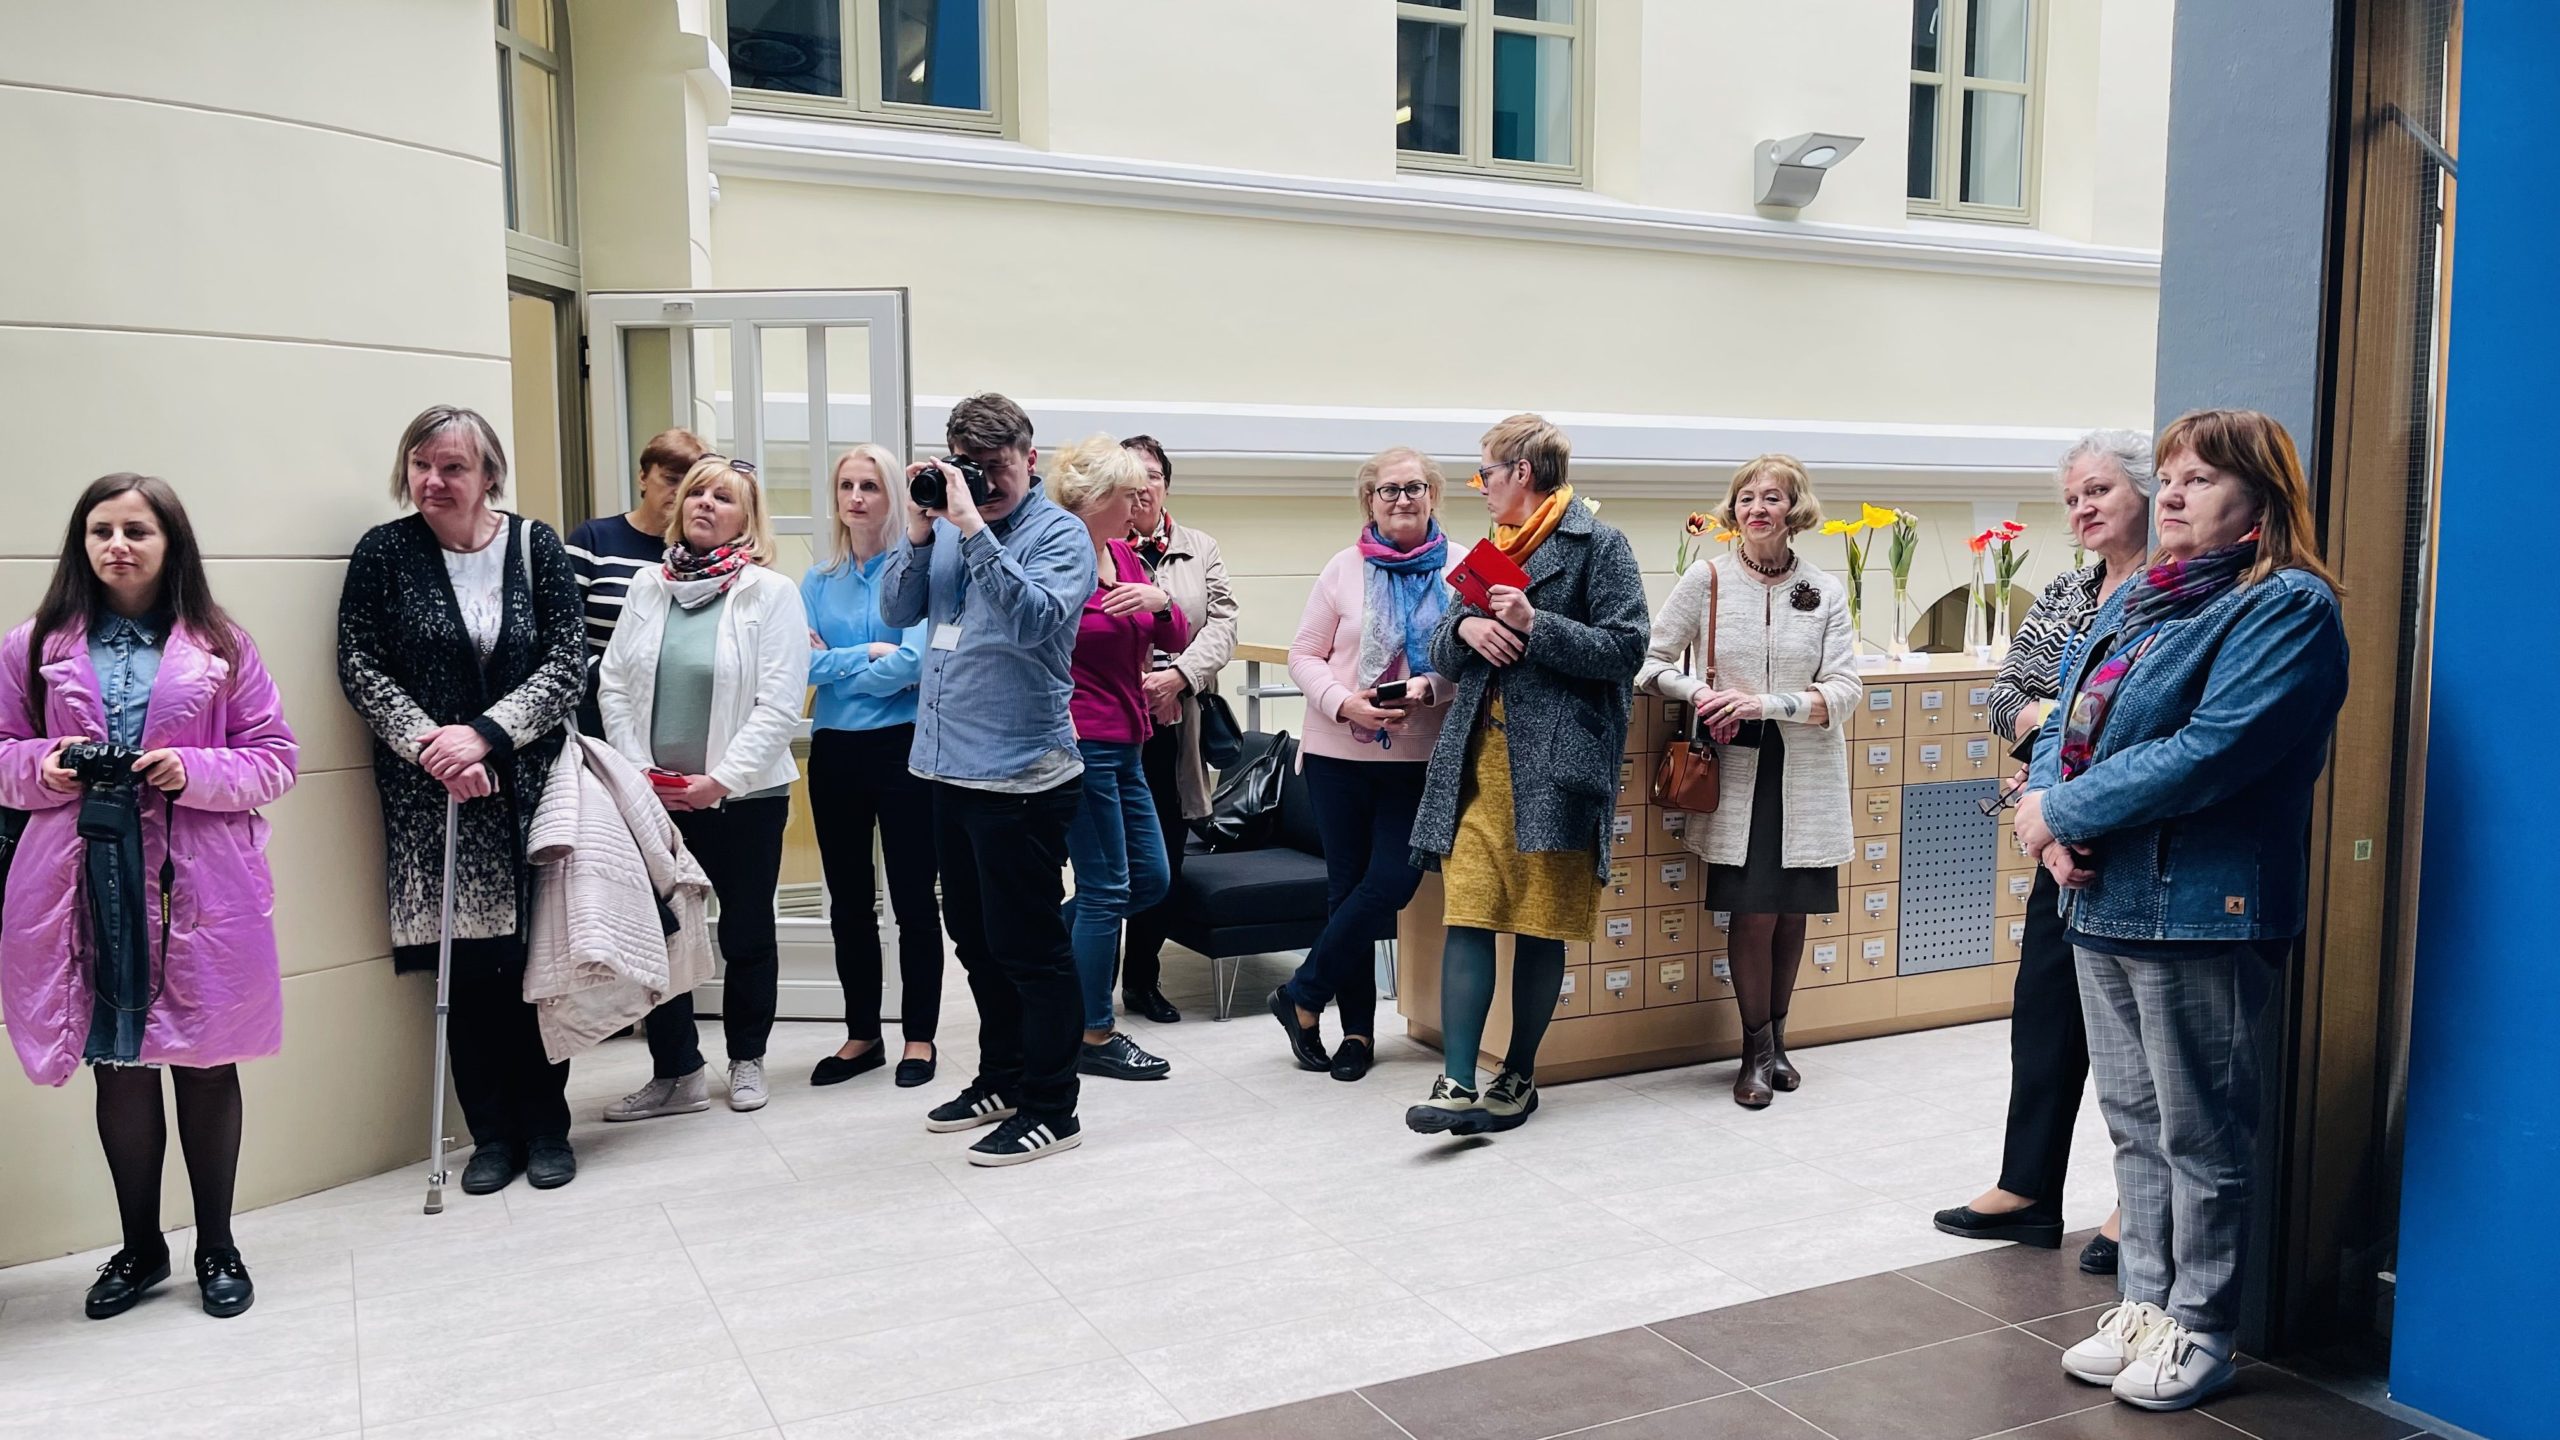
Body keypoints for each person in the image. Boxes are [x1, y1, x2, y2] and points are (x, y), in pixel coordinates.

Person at [2014, 409, 2348, 1412]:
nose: (2171, 494)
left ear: (2260, 499)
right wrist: (2049, 816)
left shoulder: (2285, 606)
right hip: (2103, 899)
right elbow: (2066, 710)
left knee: (2200, 1136)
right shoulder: (2146, 593)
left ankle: (2202, 1331)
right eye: (2166, 476)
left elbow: (2209, 751)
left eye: (2199, 479)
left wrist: (2063, 809)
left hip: (2202, 909)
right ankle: (2147, 1307)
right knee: (2134, 1127)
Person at [1, 474, 297, 1321]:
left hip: (197, 879)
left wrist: (190, 769)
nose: (117, 546)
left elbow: (275, 757)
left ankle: (217, 1246)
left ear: (171, 543)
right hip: (82, 875)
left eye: (137, 530)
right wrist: (49, 763)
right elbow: (2, 753)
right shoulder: (31, 645)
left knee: (206, 1061)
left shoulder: (222, 646)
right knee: (118, 1065)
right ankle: (140, 1248)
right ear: (81, 544)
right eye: (101, 530)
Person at [338, 406, 585, 1196]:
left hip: (528, 791)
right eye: (421, 465)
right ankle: (491, 1136)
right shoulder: (383, 553)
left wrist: (485, 735)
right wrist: (432, 747)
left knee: (540, 966)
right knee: (467, 974)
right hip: (431, 799)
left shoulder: (535, 546)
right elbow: (360, 665)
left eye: (453, 467)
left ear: (489, 476)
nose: (434, 481)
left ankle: (547, 1128)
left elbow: (566, 662)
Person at [1933, 430, 2153, 1269]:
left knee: (2135, 1036)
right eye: (2072, 498)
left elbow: (2140, 716)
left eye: (2099, 491)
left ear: (2145, 491)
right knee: (2044, 1014)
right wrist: (2058, 734)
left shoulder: (2174, 591)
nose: (2082, 509)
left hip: (2132, 832)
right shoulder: (2068, 591)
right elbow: (2006, 695)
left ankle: (2137, 1204)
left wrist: (2067, 736)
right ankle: (2027, 1189)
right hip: (2055, 824)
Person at [1406, 414, 1648, 1135]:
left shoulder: (1600, 544)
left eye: (1486, 472)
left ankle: (1518, 1074)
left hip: (1556, 767)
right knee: (1469, 913)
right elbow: (1443, 649)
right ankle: (1456, 1080)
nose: (1479, 485)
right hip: (1479, 763)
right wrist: (1466, 627)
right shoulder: (1492, 550)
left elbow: (1627, 649)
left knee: (1542, 924)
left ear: (1522, 472)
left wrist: (1534, 622)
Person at [882, 393, 1099, 1166]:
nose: (985, 481)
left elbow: (1034, 620)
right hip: (947, 769)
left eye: (998, 467)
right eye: (969, 467)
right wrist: (920, 531)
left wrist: (973, 528)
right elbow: (896, 608)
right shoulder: (946, 528)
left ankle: (1053, 1107)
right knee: (976, 942)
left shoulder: (1060, 535)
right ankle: (1003, 1078)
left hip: (1022, 778)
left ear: (1029, 460)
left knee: (1030, 949)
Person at [1638, 455, 1859, 1109]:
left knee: (1792, 914)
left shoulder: (1823, 589)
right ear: (1733, 511)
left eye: (1772, 498)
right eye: (1746, 498)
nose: (1757, 509)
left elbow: (1845, 688)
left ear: (1795, 510)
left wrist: (1769, 703)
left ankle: (1779, 1042)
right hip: (1737, 769)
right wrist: (1699, 693)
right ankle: (1755, 1052)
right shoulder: (1706, 579)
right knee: (1755, 913)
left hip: (1805, 770)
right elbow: (1649, 663)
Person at [594, 456, 811, 1119]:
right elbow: (614, 684)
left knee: (746, 933)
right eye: (696, 494)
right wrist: (639, 772)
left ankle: (747, 1058)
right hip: (655, 800)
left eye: (723, 497)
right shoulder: (648, 586)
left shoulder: (770, 592)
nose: (705, 504)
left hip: (744, 798)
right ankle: (677, 1072)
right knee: (662, 935)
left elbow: (779, 705)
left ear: (748, 519)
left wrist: (720, 781)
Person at [1273, 447, 1459, 1082]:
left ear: (1433, 495)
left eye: (1414, 487)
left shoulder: (1461, 569)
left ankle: (1301, 992)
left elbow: (1475, 662)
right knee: (1346, 889)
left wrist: (1428, 688)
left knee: (1392, 884)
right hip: (1337, 752)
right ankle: (1356, 1034)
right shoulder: (1343, 568)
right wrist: (1344, 702)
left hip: (1418, 756)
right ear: (1369, 501)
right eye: (1389, 490)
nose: (1402, 499)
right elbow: (1304, 655)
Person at [801, 443, 941, 1089]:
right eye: (846, 486)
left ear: (892, 495)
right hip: (834, 749)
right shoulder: (816, 580)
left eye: (870, 486)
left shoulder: (916, 571)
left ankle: (919, 1038)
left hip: (903, 748)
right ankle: (862, 1035)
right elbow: (801, 665)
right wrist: (869, 656)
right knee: (849, 903)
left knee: (913, 901)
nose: (855, 498)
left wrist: (842, 665)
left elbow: (916, 662)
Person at [1052, 436, 1191, 1081]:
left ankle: (1047, 947)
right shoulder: (1060, 559)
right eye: (1130, 493)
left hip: (1131, 742)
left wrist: (1162, 602)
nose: (1141, 502)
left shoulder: (1126, 556)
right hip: (1083, 743)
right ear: (1096, 497)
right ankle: (1093, 1033)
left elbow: (1175, 634)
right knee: (1106, 889)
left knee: (1150, 881)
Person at [1116, 435, 1238, 1025]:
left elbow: (1223, 624)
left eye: (1154, 476)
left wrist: (1181, 676)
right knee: (1105, 855)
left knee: (1163, 854)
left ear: (1166, 484)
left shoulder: (1199, 547)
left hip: (1174, 722)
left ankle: (1142, 977)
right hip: (1112, 719)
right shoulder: (1098, 544)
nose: (1143, 487)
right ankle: (1088, 975)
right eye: (1131, 476)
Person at [566, 428, 711, 733]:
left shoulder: (700, 554)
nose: (680, 492)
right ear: (643, 478)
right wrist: (611, 684)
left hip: (674, 714)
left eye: (692, 486)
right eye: (671, 479)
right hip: (595, 709)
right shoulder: (593, 539)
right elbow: (563, 632)